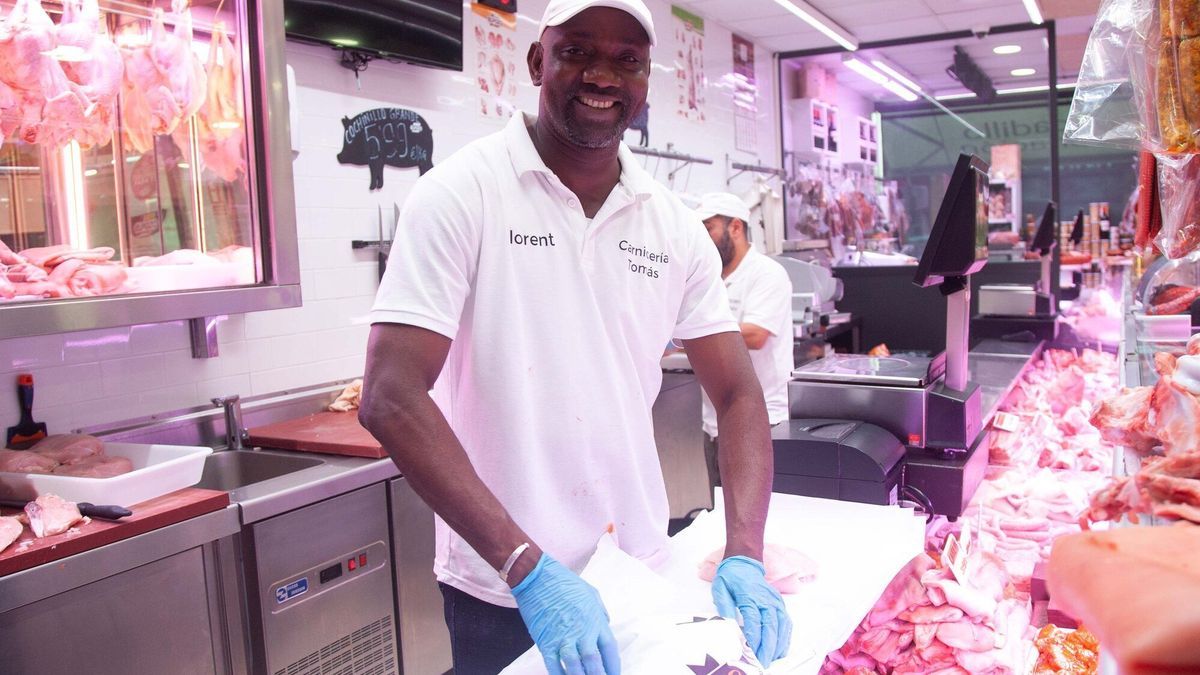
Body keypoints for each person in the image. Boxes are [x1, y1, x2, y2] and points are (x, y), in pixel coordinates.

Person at [359, 0, 791, 672]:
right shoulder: (461, 194)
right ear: (538, 61)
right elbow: (390, 393)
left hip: (639, 574)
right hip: (506, 591)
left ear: (647, 81)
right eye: (579, 50)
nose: (603, 74)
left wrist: (744, 550)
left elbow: (737, 390)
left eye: (627, 60)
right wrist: (527, 568)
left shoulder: (673, 227)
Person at [695, 193, 795, 498]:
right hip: (714, 423)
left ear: (735, 228)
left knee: (760, 523)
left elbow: (755, 334)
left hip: (762, 421)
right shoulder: (706, 278)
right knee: (719, 518)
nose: (702, 240)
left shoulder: (766, 273)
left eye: (708, 229)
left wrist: (690, 333)